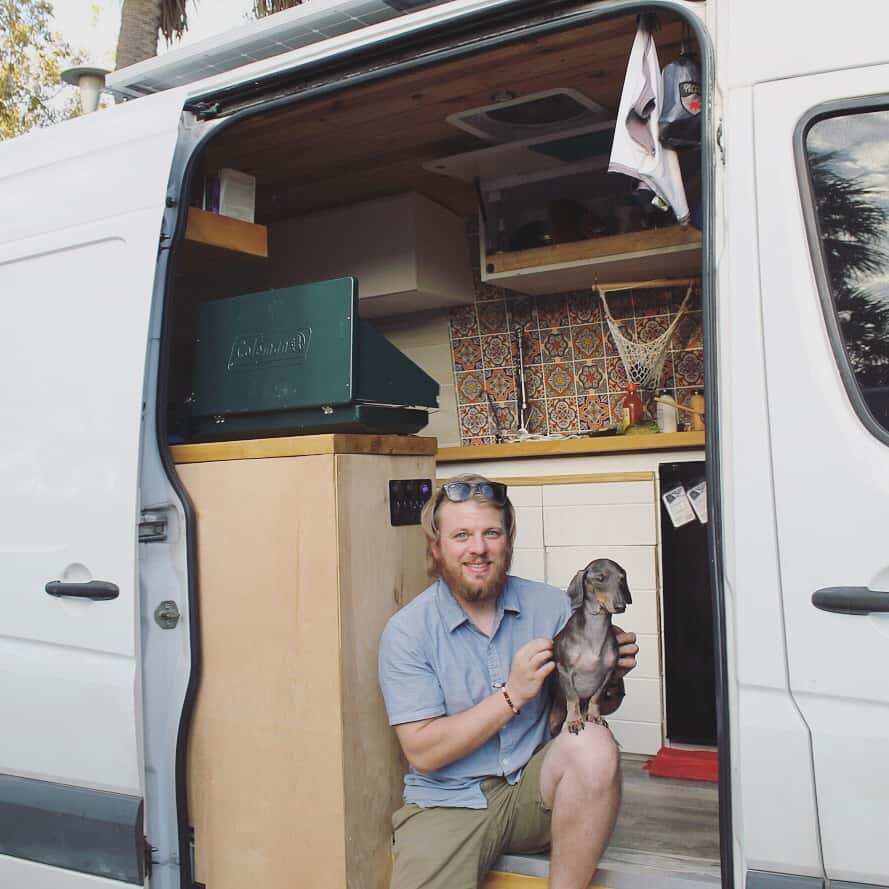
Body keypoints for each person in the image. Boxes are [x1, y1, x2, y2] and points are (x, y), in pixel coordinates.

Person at [378, 473, 639, 889]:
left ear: (508, 542)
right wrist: (511, 696)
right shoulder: (407, 632)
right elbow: (423, 752)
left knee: (593, 742)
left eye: (491, 533)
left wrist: (606, 677)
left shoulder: (551, 606)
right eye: (461, 534)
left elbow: (581, 710)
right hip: (449, 802)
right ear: (437, 548)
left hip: (534, 792)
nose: (478, 548)